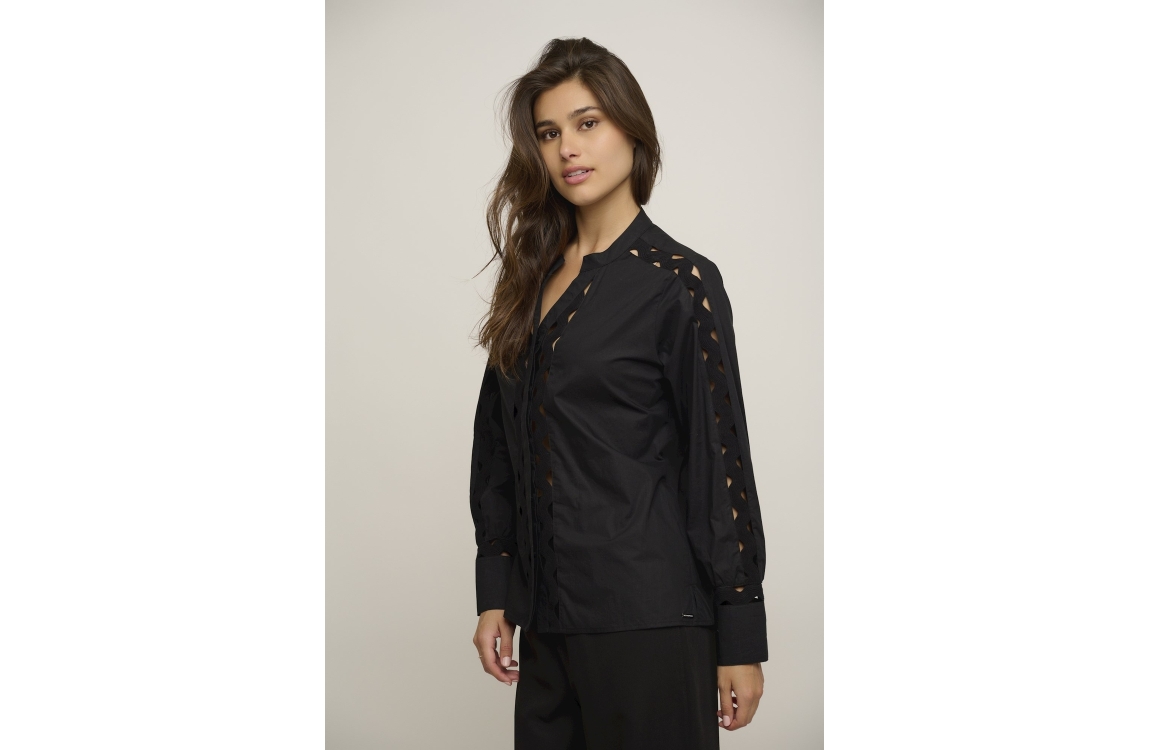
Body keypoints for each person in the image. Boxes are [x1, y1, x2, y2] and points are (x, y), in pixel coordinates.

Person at [468, 37, 769, 750]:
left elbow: (719, 462)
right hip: (547, 626)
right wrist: (495, 588)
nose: (568, 148)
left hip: (651, 624)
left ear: (632, 129)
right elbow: (497, 445)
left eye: (588, 123)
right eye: (548, 133)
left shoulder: (679, 282)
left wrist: (740, 632)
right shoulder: (529, 282)